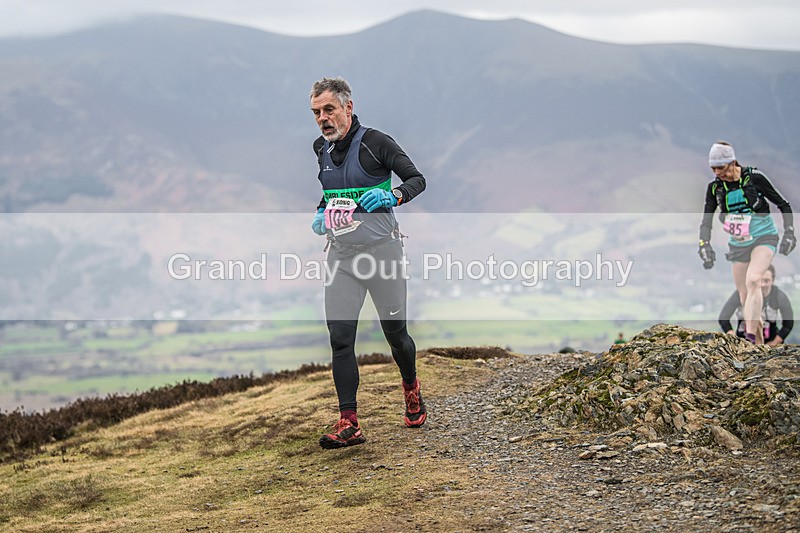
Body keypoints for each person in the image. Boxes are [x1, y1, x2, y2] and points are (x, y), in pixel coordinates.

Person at [309, 76, 427, 449]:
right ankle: (349, 423)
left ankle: (411, 387)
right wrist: (319, 215)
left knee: (396, 335)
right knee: (340, 339)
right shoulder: (321, 149)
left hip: (383, 254)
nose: (323, 119)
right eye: (316, 113)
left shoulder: (377, 144)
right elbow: (328, 196)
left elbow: (416, 179)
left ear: (348, 107)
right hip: (342, 257)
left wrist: (393, 196)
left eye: (328, 109)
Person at [698, 140, 795, 344]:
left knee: (753, 280)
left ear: (732, 162)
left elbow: (783, 204)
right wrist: (704, 244)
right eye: (713, 168)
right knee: (745, 297)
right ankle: (758, 343)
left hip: (764, 237)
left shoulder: (755, 179)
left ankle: (749, 338)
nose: (717, 172)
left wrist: (789, 233)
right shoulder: (715, 188)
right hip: (738, 244)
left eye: (721, 167)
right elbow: (706, 220)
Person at [719, 264, 793, 345]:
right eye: (759, 280)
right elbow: (723, 318)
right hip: (744, 343)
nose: (762, 285)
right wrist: (733, 338)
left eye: (766, 281)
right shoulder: (742, 293)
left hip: (769, 342)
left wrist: (774, 343)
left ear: (773, 281)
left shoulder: (778, 296)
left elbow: (788, 324)